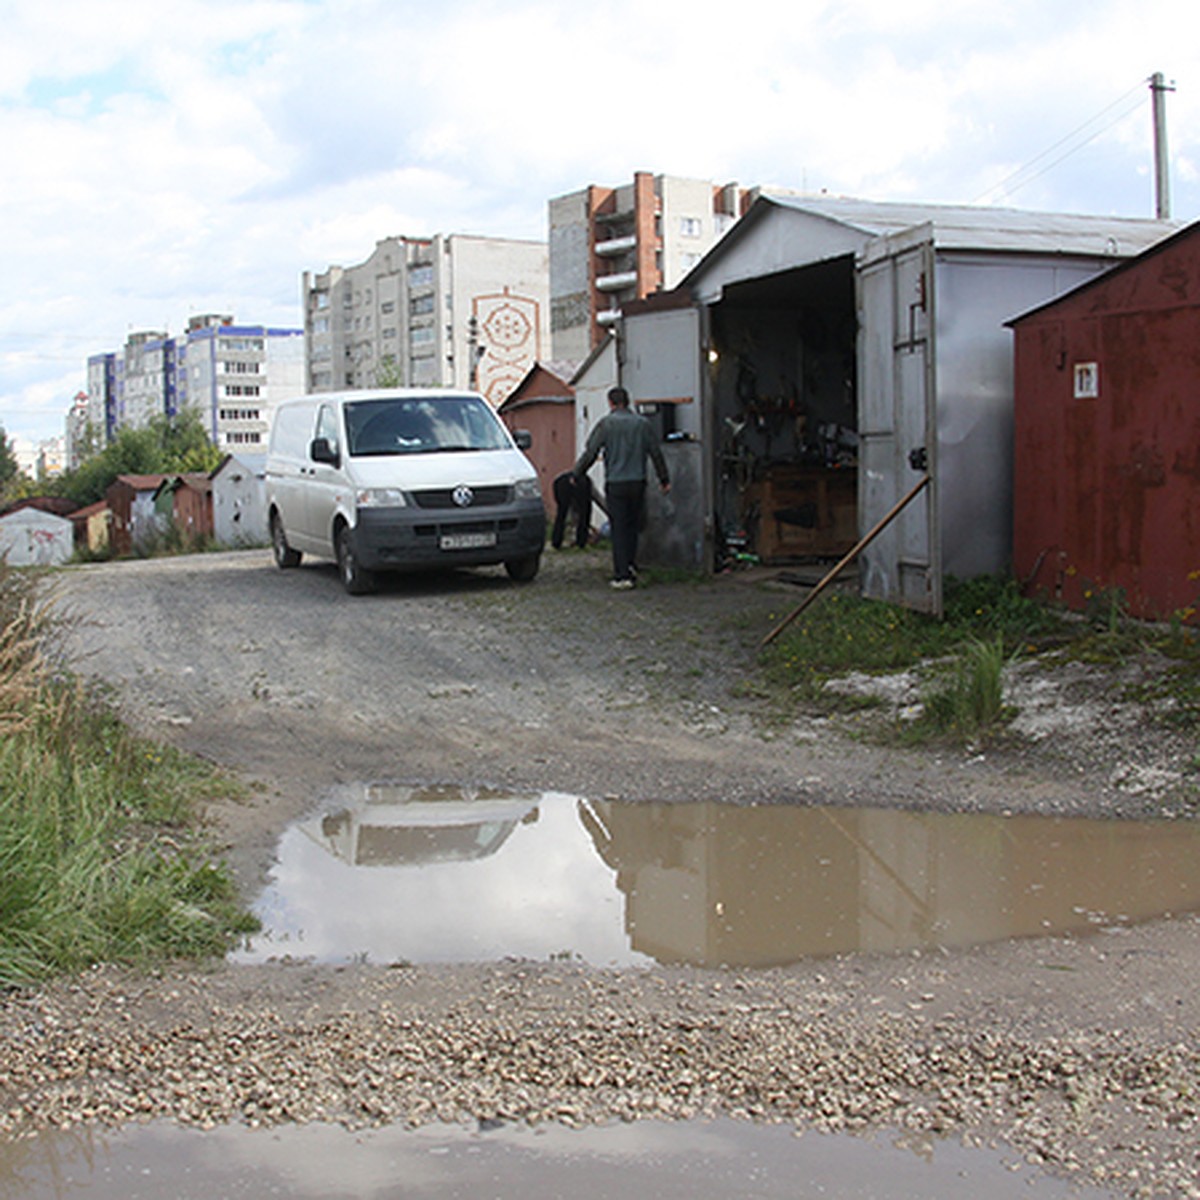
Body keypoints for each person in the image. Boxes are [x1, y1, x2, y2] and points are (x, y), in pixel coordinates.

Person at [573, 386, 670, 589]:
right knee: (633, 526)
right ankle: (632, 565)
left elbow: (591, 452)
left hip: (616, 482)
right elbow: (656, 453)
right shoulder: (642, 424)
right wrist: (664, 479)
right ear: (627, 401)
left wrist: (577, 473)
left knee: (619, 528)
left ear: (611, 402)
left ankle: (621, 574)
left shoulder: (606, 425)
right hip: (637, 481)